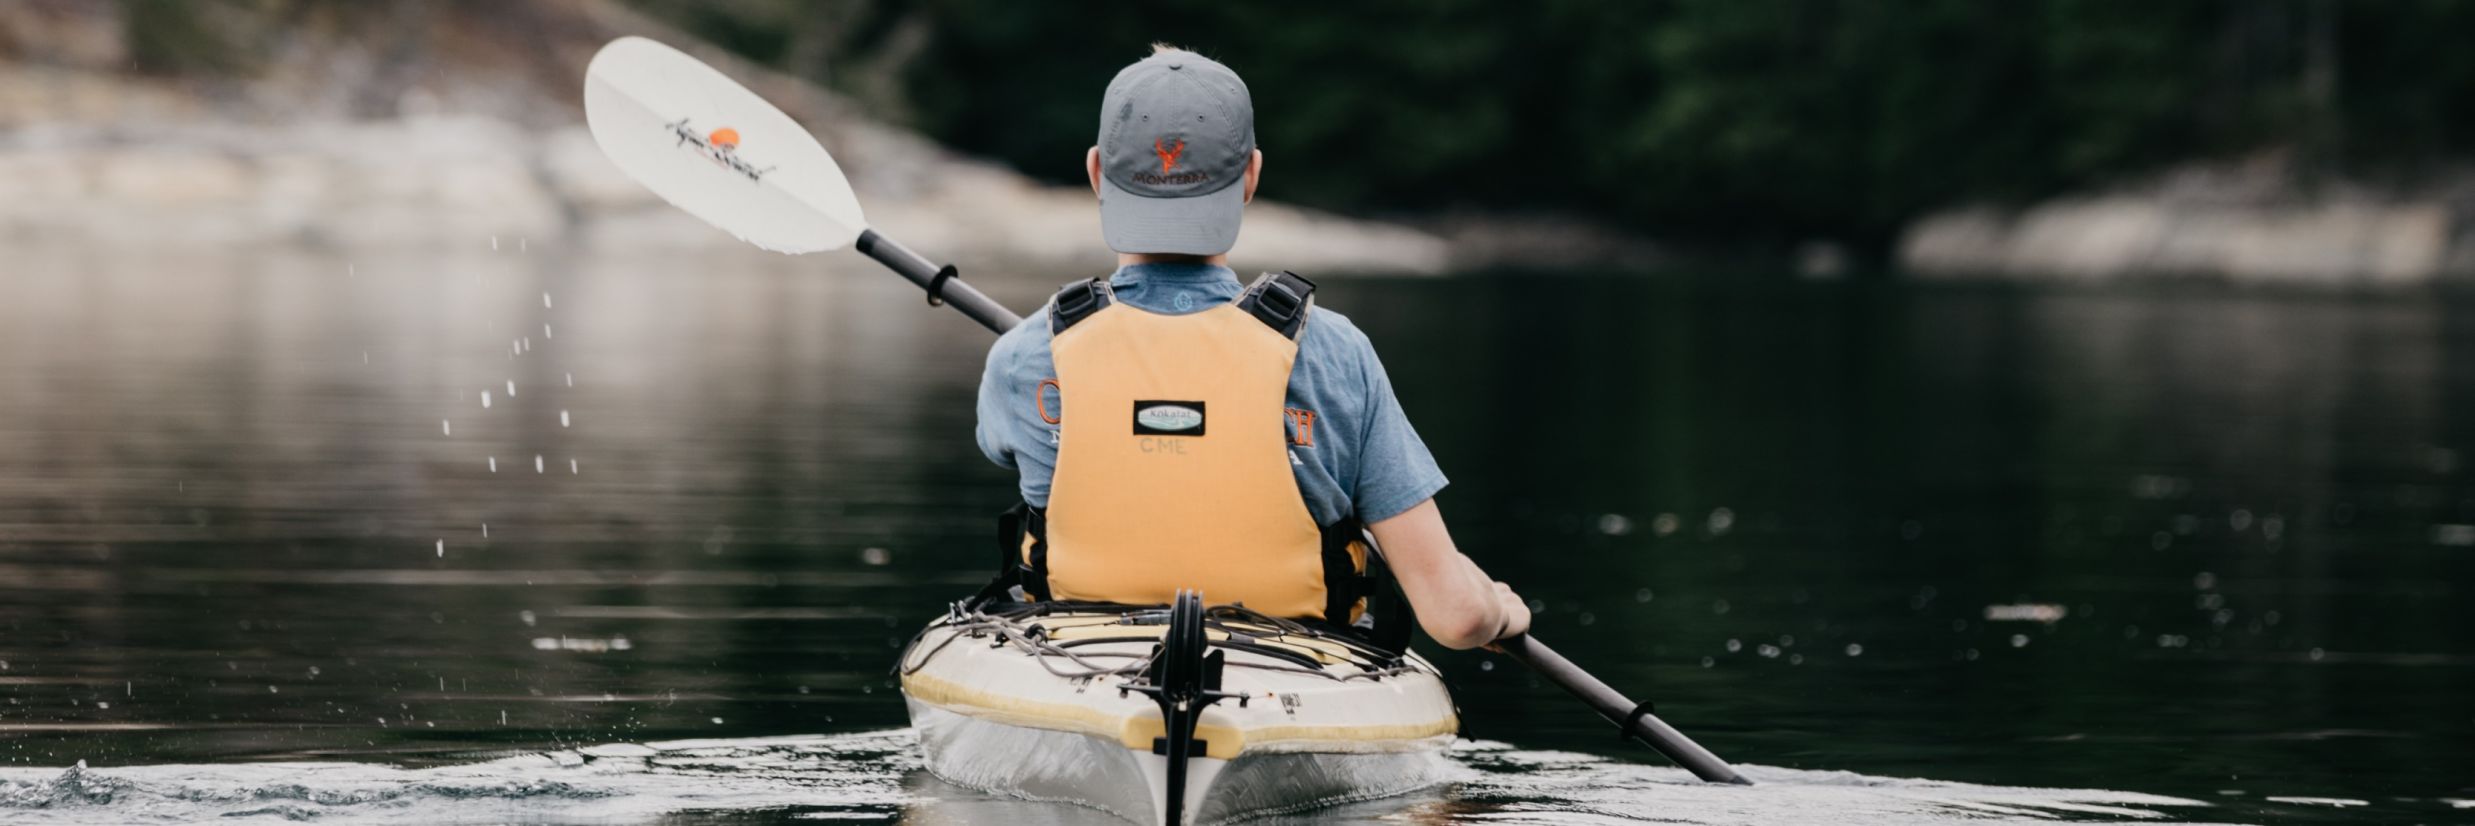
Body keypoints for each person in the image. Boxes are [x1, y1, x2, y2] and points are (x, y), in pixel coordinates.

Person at [974, 44, 1528, 651]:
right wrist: (1498, 610)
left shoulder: (1026, 354)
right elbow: (1456, 619)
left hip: (1079, 661)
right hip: (1295, 669)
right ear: (1251, 176)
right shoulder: (1336, 352)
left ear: (1096, 173)